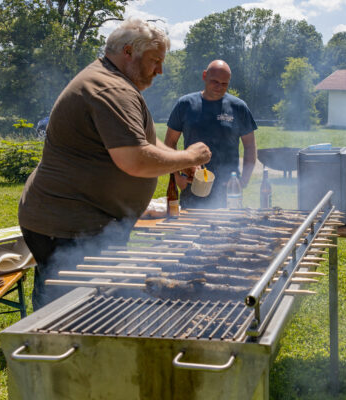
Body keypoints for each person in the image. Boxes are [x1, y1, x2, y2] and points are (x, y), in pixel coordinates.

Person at [18, 18, 211, 310]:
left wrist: (175, 163)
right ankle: (56, 351)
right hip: (71, 225)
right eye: (155, 61)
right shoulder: (112, 89)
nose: (160, 70)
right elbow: (135, 159)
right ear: (129, 52)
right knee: (72, 311)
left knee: (66, 298)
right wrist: (189, 156)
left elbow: (142, 141)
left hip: (73, 220)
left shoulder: (112, 81)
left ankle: (48, 347)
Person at [164, 60, 257, 209]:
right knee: (189, 230)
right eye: (215, 81)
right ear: (204, 76)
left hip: (227, 190)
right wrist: (176, 177)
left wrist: (243, 180)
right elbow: (169, 142)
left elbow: (250, 146)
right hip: (192, 186)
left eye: (224, 84)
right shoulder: (185, 104)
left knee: (228, 230)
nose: (219, 87)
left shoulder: (239, 107)